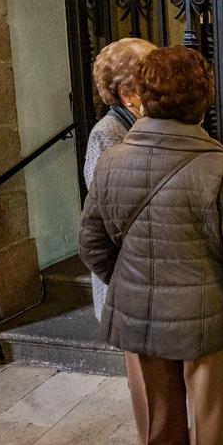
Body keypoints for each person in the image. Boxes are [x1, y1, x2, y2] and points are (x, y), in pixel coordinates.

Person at [79, 46, 223, 445]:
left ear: (143, 94)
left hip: (140, 318)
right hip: (205, 318)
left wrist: (129, 282)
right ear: (202, 99)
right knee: (209, 428)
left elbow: (92, 245)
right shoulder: (217, 162)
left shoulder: (112, 161)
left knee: (159, 427)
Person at [84, 37, 156, 321]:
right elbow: (109, 218)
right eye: (148, 81)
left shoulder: (139, 126)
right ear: (127, 93)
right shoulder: (108, 133)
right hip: (126, 281)